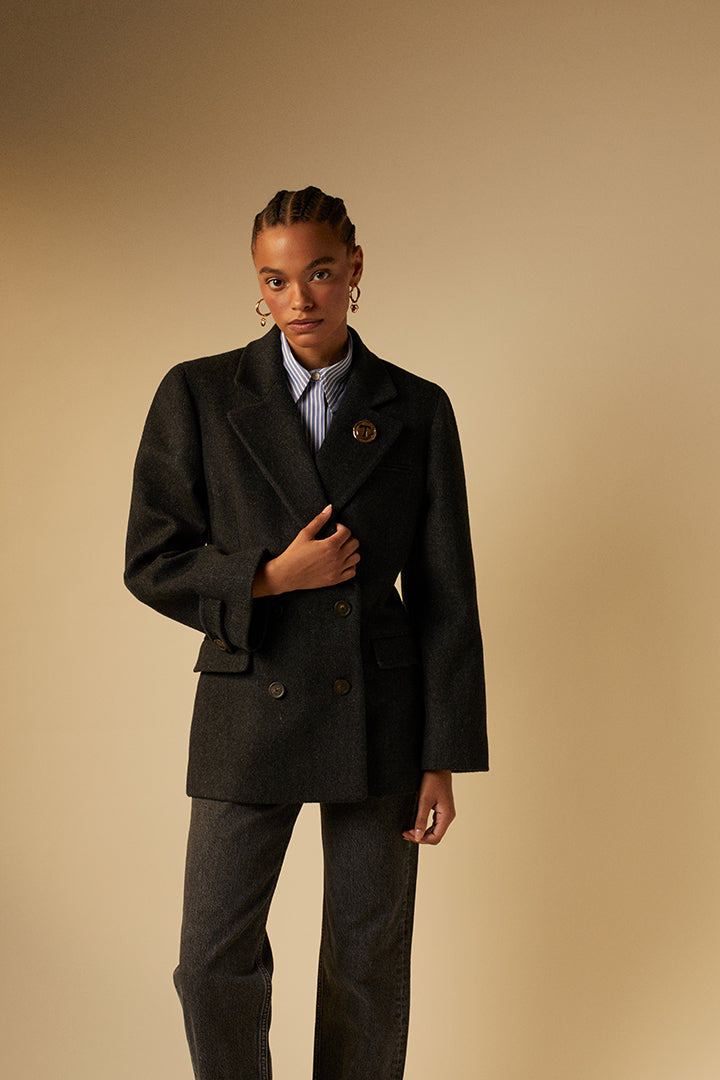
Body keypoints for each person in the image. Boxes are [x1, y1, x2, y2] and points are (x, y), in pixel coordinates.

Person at [124, 186, 488, 1080]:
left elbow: (446, 595)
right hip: (250, 699)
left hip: (381, 713)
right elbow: (152, 557)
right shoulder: (199, 393)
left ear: (353, 270)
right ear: (258, 284)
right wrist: (270, 575)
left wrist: (442, 756)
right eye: (275, 280)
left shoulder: (418, 407)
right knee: (211, 962)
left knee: (366, 965)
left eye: (319, 274)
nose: (298, 299)